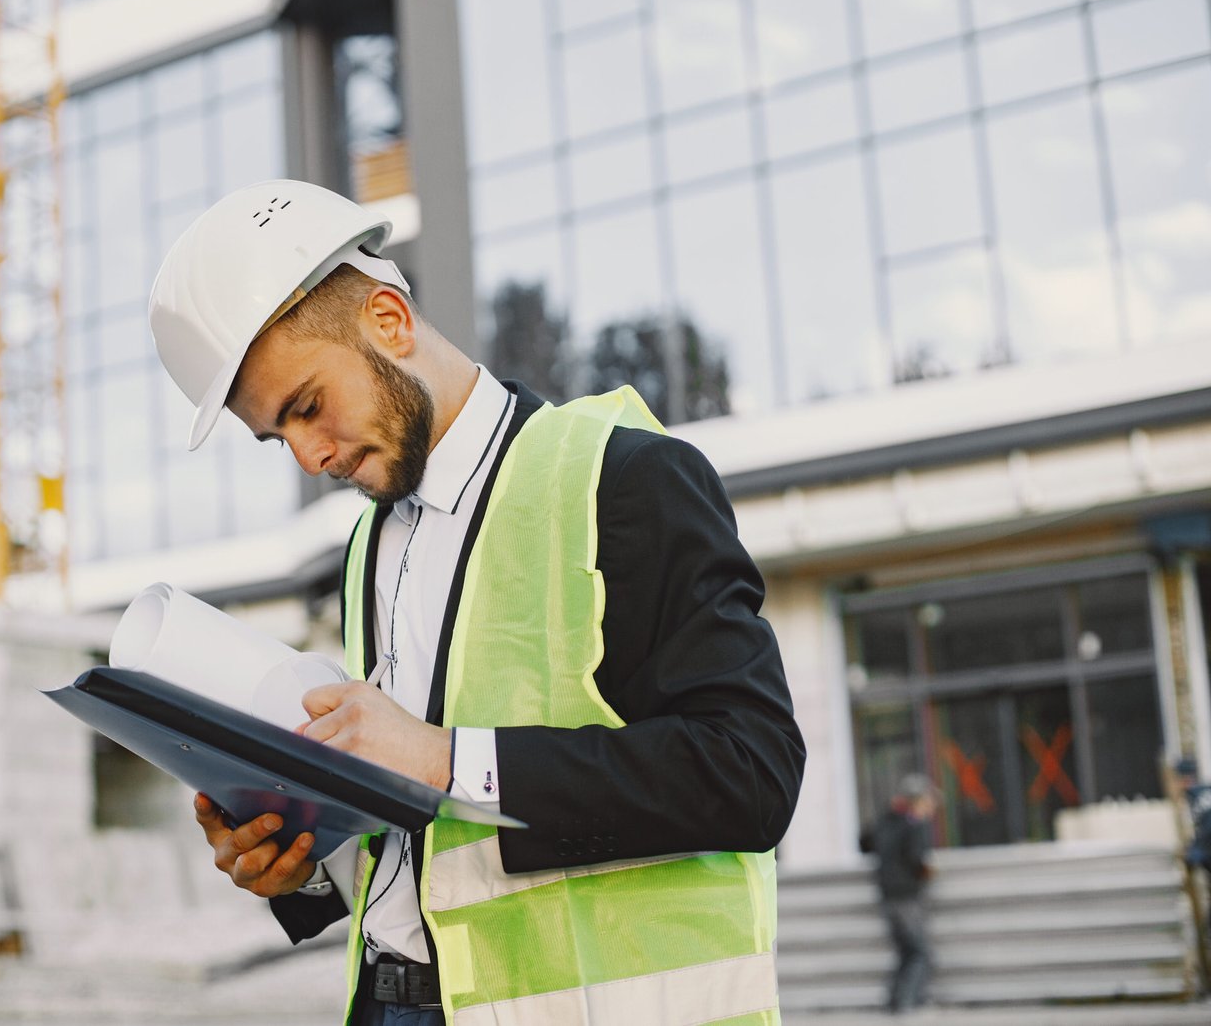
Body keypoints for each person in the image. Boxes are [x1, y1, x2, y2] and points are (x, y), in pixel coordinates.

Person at [146, 179, 805, 1025]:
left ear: (390, 321)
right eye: (279, 436)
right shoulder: (367, 547)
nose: (309, 456)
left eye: (308, 406)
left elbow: (751, 770)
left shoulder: (621, 477)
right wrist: (303, 857)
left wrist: (443, 756)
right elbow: (431, 846)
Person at [871, 774, 937, 1014]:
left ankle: (895, 1000)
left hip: (888, 896)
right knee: (918, 951)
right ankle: (908, 1002)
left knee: (906, 952)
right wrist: (928, 871)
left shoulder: (885, 822)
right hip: (906, 898)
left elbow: (868, 842)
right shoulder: (912, 825)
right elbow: (916, 859)